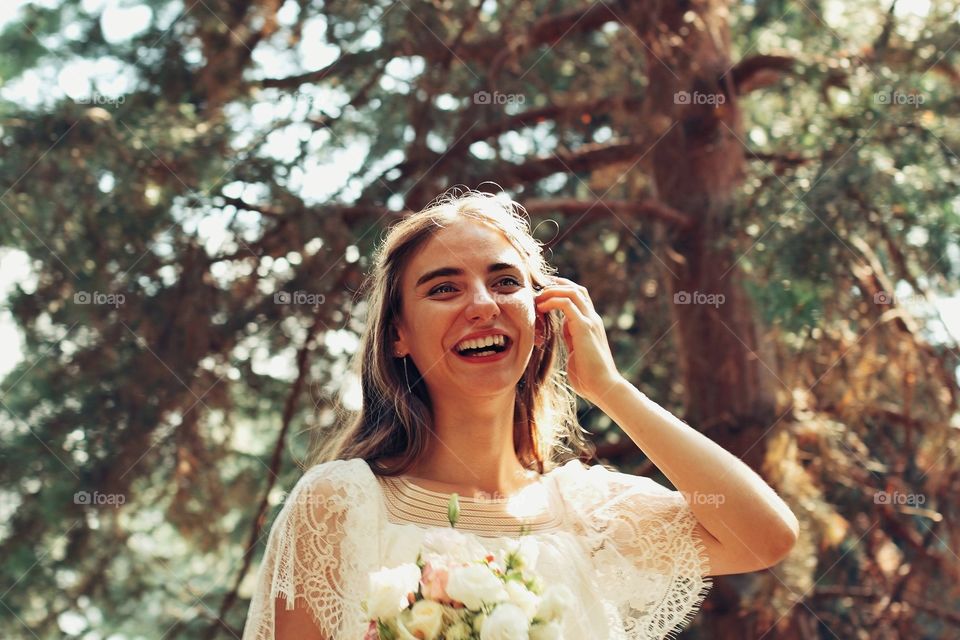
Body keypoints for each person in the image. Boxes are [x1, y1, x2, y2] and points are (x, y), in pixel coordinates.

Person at [240, 188, 800, 639]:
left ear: (542, 316)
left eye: (505, 282)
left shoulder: (587, 514)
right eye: (444, 289)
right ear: (398, 336)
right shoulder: (338, 504)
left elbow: (764, 536)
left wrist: (610, 388)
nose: (483, 305)